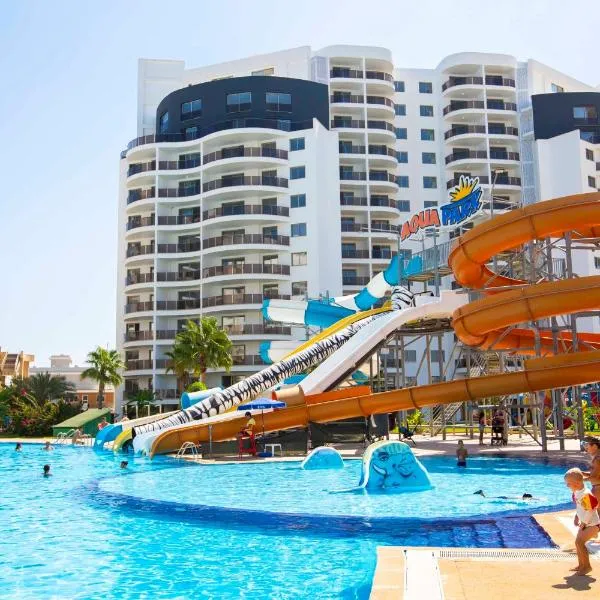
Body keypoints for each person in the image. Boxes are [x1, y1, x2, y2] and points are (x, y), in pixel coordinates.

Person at [564, 467, 599, 576]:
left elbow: (590, 510)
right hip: (586, 523)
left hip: (593, 524)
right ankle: (581, 565)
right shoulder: (577, 492)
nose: (567, 486)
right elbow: (581, 507)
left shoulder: (586, 494)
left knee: (580, 543)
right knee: (577, 543)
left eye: (569, 483)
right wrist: (577, 516)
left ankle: (587, 566)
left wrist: (584, 522)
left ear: (577, 483)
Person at [582, 436, 600, 511]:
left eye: (586, 445)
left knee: (587, 510)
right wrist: (582, 473)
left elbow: (595, 477)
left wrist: (579, 480)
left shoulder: (597, 459)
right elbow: (596, 474)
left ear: (595, 446)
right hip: (597, 487)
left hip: (598, 489)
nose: (585, 448)